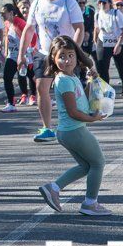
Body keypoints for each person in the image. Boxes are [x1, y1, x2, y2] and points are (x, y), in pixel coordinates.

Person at [38, 36, 109, 216]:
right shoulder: (63, 81)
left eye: (71, 55)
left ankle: (53, 188)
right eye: (62, 56)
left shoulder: (71, 77)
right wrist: (93, 119)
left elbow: (82, 100)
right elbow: (73, 111)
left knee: (86, 166)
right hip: (74, 130)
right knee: (99, 163)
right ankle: (90, 204)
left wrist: (91, 82)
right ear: (53, 58)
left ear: (77, 57)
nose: (67, 60)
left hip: (68, 132)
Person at [17, 0, 84, 143]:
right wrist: (21, 54)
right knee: (41, 87)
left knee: (67, 88)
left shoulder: (69, 2)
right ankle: (47, 128)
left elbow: (79, 28)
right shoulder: (37, 4)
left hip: (65, 54)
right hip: (45, 52)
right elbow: (29, 29)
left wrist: (73, 51)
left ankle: (76, 124)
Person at [93, 0, 123, 90]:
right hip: (104, 41)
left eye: (104, 3)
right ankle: (106, 91)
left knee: (121, 67)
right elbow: (96, 27)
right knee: (102, 67)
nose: (101, 5)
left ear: (109, 3)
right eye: (100, 2)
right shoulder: (97, 14)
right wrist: (95, 40)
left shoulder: (116, 13)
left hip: (120, 41)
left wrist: (119, 45)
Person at [0, 3, 28, 112]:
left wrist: (27, 53)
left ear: (11, 13)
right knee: (7, 78)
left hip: (23, 55)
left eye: (4, 13)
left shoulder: (19, 23)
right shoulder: (7, 23)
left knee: (31, 78)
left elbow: (30, 36)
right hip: (12, 56)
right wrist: (5, 51)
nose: (2, 15)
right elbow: (7, 37)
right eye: (1, 13)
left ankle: (42, 99)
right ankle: (11, 103)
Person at [15, 0, 38, 105]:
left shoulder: (34, 20)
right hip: (21, 51)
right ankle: (24, 94)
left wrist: (35, 47)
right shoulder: (17, 22)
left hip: (33, 51)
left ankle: (33, 95)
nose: (24, 10)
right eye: (22, 8)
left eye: (26, 7)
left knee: (32, 73)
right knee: (21, 72)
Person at [76, 0, 95, 86]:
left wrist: (88, 32)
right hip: (78, 36)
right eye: (80, 3)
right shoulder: (74, 11)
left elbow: (92, 24)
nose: (82, 4)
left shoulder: (89, 11)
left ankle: (87, 74)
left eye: (83, 2)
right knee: (80, 56)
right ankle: (82, 76)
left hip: (88, 38)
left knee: (86, 55)